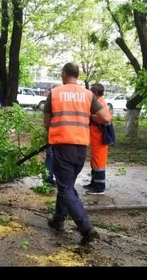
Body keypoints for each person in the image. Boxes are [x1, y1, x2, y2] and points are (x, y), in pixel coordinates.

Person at [43, 62, 111, 245]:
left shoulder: (55, 93)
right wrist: (87, 116)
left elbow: (47, 122)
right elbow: (105, 118)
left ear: (64, 74)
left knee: (65, 188)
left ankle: (86, 228)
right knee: (67, 186)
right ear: (78, 75)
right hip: (80, 147)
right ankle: (58, 220)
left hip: (62, 145)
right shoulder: (88, 95)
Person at [84, 83, 113, 195]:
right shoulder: (99, 102)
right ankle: (94, 183)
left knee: (98, 162)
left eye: (91, 91)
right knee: (95, 161)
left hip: (99, 138)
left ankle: (99, 187)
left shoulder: (100, 103)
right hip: (96, 138)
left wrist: (92, 117)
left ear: (95, 93)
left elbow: (106, 119)